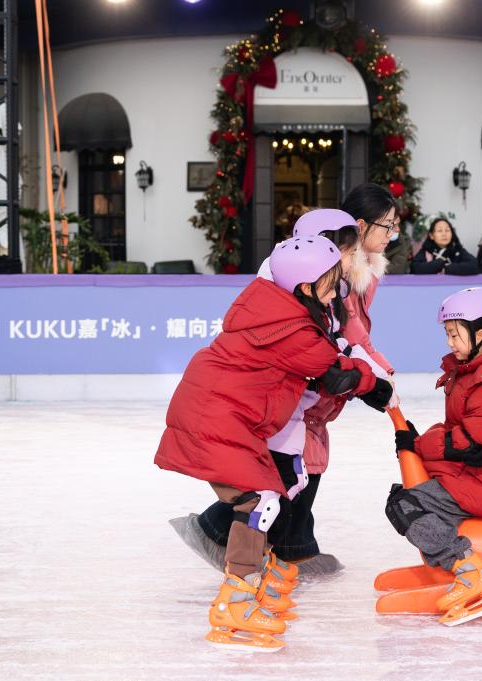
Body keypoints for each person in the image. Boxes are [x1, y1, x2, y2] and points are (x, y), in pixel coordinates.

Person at [155, 235, 389, 651]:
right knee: (260, 502)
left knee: (284, 484)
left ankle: (256, 579)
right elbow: (334, 372)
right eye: (330, 282)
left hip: (224, 415)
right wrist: (375, 385)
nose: (336, 291)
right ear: (305, 286)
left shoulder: (279, 306)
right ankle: (236, 601)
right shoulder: (290, 327)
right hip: (218, 421)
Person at [188, 185, 400, 577]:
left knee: (293, 472)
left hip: (289, 399)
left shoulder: (333, 283)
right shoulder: (300, 296)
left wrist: (371, 371)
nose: (391, 234)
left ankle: (284, 549)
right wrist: (372, 380)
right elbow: (334, 350)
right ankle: (245, 562)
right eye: (387, 225)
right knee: (276, 482)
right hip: (260, 405)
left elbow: (344, 340)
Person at [387, 287, 482, 626]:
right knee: (404, 500)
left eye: (454, 334)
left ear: (480, 334)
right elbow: (455, 429)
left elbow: (470, 437)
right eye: (447, 334)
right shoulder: (470, 372)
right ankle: (456, 565)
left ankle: (470, 570)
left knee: (405, 505)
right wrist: (419, 439)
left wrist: (420, 446)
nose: (449, 342)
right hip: (477, 477)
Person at [410, 217, 479, 276]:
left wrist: (447, 269)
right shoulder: (426, 251)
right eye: (440, 230)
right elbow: (415, 268)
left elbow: (474, 265)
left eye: (447, 230)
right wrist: (439, 263)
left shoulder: (457, 250)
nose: (444, 234)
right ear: (431, 236)